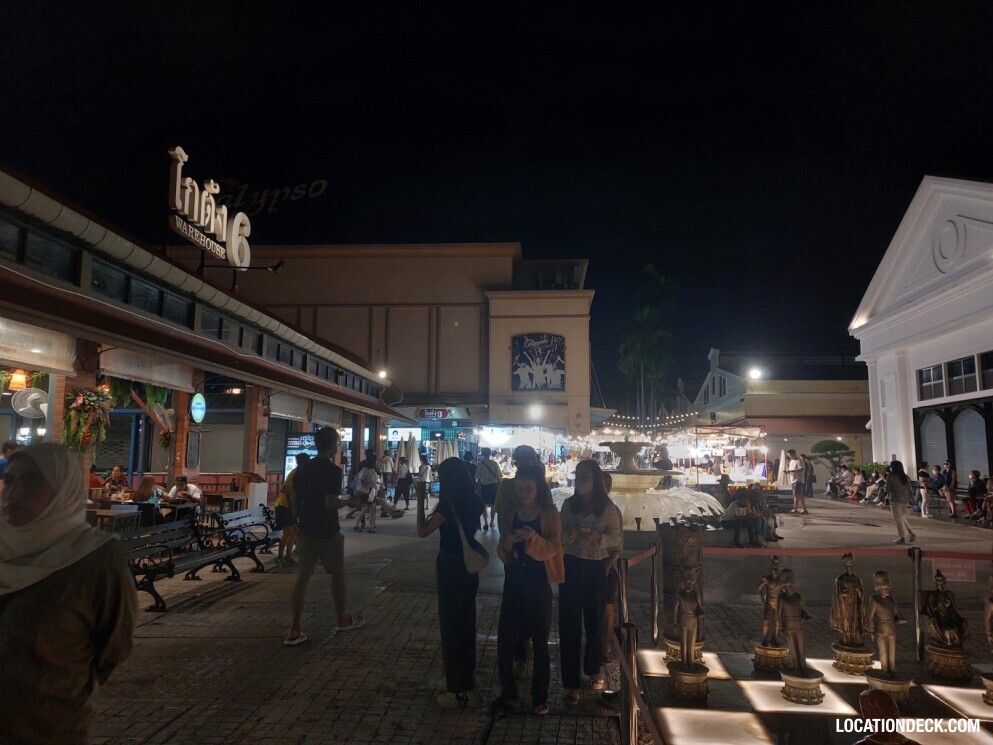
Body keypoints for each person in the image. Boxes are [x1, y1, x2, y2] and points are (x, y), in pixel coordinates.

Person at [0, 443, 137, 742]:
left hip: (48, 727)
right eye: (9, 481)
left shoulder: (96, 559)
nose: (15, 493)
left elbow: (113, 647)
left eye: (34, 482)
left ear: (64, 490)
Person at [493, 464, 564, 716]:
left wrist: (533, 538)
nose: (524, 493)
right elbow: (502, 546)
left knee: (540, 639)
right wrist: (508, 542)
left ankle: (539, 696)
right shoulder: (510, 512)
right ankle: (508, 692)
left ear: (538, 489)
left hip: (538, 578)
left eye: (529, 489)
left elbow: (555, 545)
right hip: (514, 578)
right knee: (505, 637)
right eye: (520, 488)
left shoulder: (548, 513)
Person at [285, 427, 365, 646]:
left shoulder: (303, 468)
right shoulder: (332, 471)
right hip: (327, 530)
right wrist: (348, 502)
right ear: (332, 446)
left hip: (306, 529)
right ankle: (342, 619)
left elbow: (294, 498)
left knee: (302, 577)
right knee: (337, 573)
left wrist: (297, 522)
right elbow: (329, 503)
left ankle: (294, 628)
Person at [416, 457, 485, 708]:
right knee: (466, 621)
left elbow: (422, 531)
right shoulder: (474, 501)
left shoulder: (447, 507)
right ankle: (469, 678)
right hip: (469, 568)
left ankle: (459, 690)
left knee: (451, 625)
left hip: (450, 565)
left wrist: (422, 499)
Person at [558, 459, 621, 706]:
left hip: (596, 567)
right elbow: (558, 538)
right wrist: (569, 536)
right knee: (569, 624)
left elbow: (616, 539)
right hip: (571, 566)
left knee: (594, 621)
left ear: (596, 479)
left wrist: (599, 538)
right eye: (579, 474)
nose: (582, 479)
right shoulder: (567, 505)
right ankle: (570, 682)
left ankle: (593, 668)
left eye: (586, 475)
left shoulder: (608, 508)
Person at [274, 452, 310, 568]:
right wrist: (293, 497)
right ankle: (280, 557)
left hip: (290, 506)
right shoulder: (294, 473)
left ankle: (288, 556)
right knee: (288, 531)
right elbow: (284, 488)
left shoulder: (302, 473)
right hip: (283, 505)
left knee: (294, 530)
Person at [830, 552, 867, 647]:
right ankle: (847, 638)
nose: (852, 564)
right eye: (850, 562)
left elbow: (861, 596)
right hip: (845, 605)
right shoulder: (841, 579)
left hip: (855, 605)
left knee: (855, 621)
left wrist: (858, 591)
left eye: (853, 562)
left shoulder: (857, 579)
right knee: (847, 622)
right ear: (845, 563)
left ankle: (856, 638)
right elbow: (838, 594)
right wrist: (843, 594)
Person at [885, 460, 916, 545]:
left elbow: (887, 489)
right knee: (901, 517)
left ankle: (902, 537)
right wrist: (913, 499)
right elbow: (910, 489)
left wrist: (892, 489)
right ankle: (910, 532)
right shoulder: (906, 477)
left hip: (895, 499)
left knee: (898, 519)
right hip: (905, 500)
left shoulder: (891, 477)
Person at [476, 447, 502, 530]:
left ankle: (486, 523)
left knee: (484, 505)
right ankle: (492, 522)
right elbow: (499, 477)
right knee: (493, 505)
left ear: (483, 454)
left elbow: (478, 478)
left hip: (484, 487)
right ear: (490, 454)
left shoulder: (480, 465)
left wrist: (479, 487)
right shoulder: (495, 464)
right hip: (494, 486)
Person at [352, 453, 380, 534]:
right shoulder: (365, 469)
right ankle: (357, 525)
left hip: (372, 491)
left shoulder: (372, 469)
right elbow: (360, 480)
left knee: (372, 510)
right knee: (365, 510)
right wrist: (369, 484)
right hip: (366, 491)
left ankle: (370, 526)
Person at [784, 450, 807, 514]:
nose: (789, 456)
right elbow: (791, 470)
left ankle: (796, 509)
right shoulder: (791, 461)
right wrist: (788, 471)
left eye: (789, 455)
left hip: (798, 480)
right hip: (793, 480)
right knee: (798, 495)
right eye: (788, 455)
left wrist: (791, 471)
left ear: (793, 454)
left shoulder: (799, 461)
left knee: (796, 495)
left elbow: (801, 469)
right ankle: (804, 509)